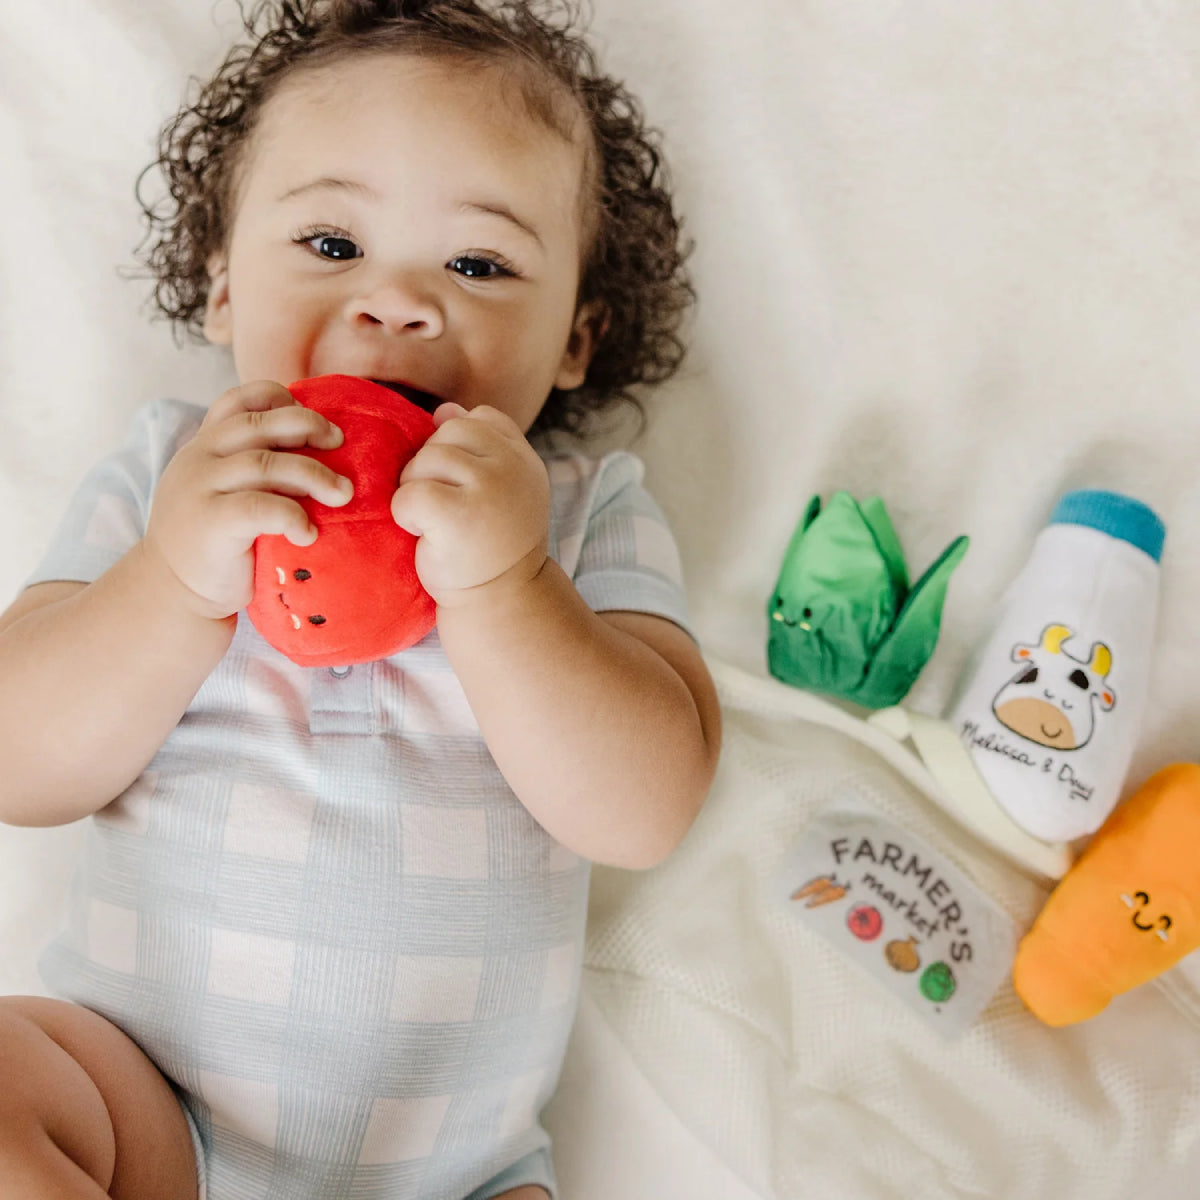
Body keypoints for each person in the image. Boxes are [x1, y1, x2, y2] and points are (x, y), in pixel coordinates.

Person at [0, 1, 721, 1197]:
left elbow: (644, 812)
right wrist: (172, 581)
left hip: (454, 1171)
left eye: (479, 264)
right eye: (332, 244)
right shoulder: (175, 473)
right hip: (146, 1105)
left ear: (575, 340)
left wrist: (506, 585)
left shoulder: (579, 513)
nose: (398, 303)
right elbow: (18, 765)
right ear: (222, 289)